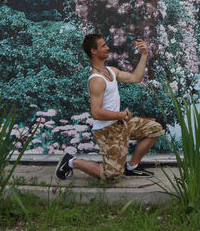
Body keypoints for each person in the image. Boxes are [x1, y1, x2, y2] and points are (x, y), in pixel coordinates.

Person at [56, 34, 163, 181]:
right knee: (111, 176)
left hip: (121, 123)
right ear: (94, 51)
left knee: (155, 129)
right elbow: (96, 113)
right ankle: (70, 161)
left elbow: (135, 78)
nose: (107, 48)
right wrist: (121, 115)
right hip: (107, 130)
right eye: (103, 46)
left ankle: (132, 167)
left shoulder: (111, 71)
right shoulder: (96, 80)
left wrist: (144, 54)